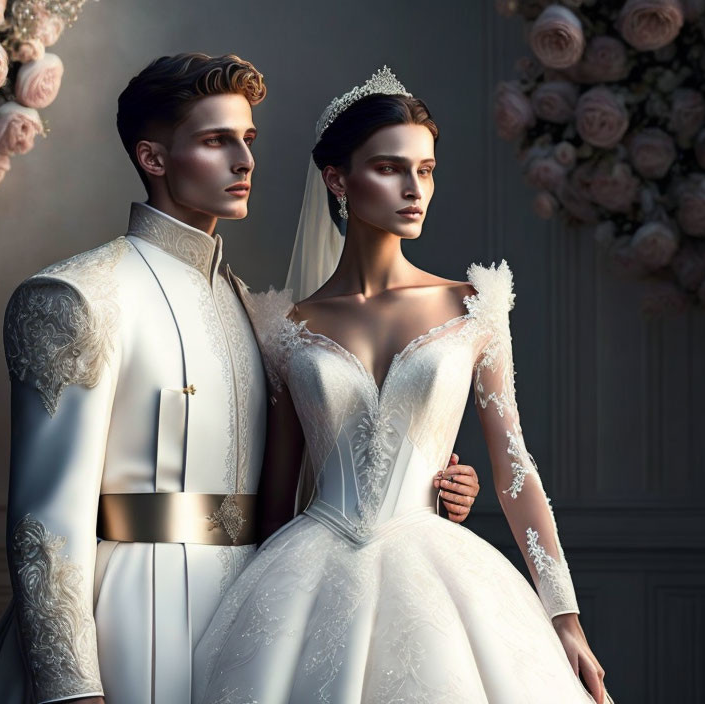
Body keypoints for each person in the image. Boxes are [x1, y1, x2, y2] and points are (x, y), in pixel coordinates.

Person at [0, 56, 481, 704]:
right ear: (154, 158)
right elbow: (45, 523)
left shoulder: (253, 310)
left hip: (255, 614)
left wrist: (430, 487)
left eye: (247, 140)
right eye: (215, 140)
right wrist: (70, 690)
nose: (244, 161)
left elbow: (319, 475)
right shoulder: (80, 295)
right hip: (134, 619)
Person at [193, 67, 610, 704]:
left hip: (441, 572)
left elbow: (514, 467)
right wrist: (239, 608)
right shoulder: (285, 326)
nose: (415, 189)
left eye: (427, 169)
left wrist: (565, 617)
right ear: (337, 179)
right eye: (390, 168)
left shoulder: (474, 305)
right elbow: (276, 495)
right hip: (304, 574)